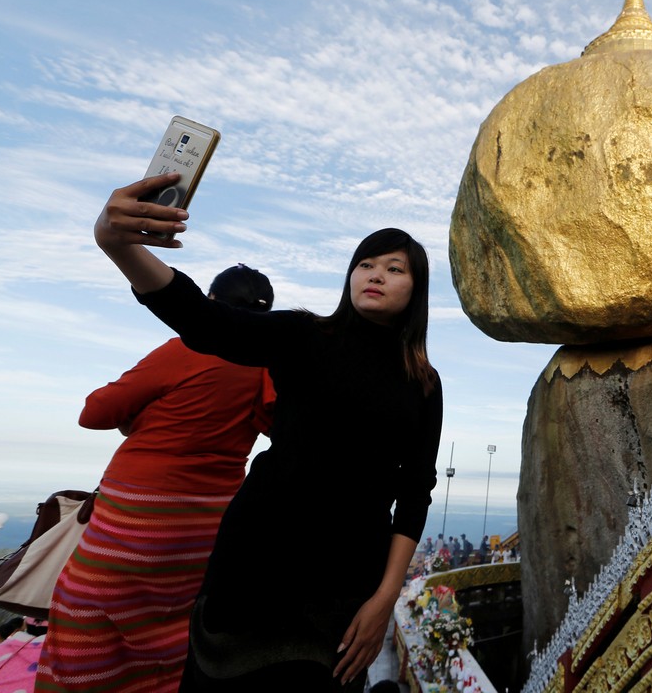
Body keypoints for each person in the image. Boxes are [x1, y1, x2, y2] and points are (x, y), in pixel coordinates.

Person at [90, 173, 443, 691]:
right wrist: (117, 246)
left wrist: (385, 598)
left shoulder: (424, 384)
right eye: (365, 264)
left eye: (394, 268)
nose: (376, 275)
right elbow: (207, 321)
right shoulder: (305, 335)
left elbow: (415, 494)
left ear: (416, 289)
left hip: (344, 586)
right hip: (252, 566)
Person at [36, 265, 276, 692]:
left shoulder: (186, 348)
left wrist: (140, 416)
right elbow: (272, 422)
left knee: (84, 617)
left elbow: (94, 413)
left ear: (210, 305)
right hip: (206, 525)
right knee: (164, 626)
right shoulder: (266, 364)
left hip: (138, 513)